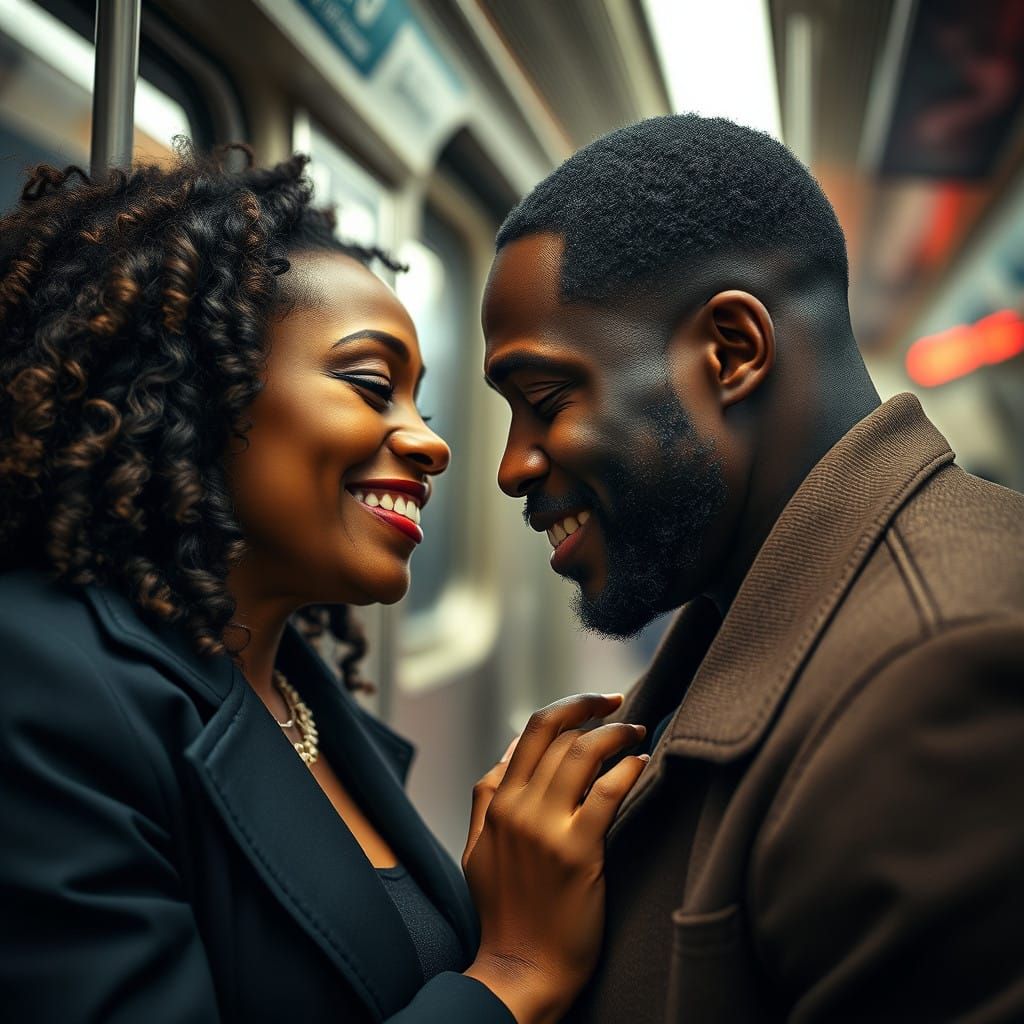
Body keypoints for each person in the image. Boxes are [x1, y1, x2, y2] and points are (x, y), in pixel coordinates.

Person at [0, 146, 651, 1023]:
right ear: (200, 387)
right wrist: (513, 977)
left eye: (419, 401)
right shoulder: (41, 683)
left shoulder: (297, 692)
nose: (430, 443)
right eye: (371, 385)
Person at [482, 115, 1024, 1022]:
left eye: (545, 401)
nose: (512, 466)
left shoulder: (945, 673)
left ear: (730, 352)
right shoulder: (754, 612)